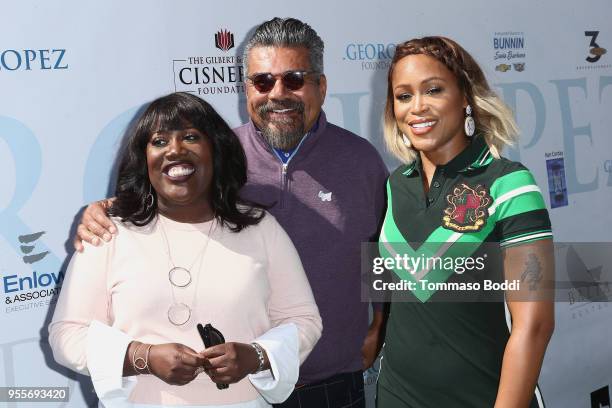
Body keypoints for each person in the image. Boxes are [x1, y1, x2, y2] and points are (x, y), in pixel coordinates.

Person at [74, 18, 389, 408]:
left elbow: (382, 252)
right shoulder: (212, 157)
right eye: (262, 82)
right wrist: (105, 209)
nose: (278, 94)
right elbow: (154, 207)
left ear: (321, 87)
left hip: (331, 382)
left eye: (293, 79)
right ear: (246, 90)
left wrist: (382, 322)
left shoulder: (362, 161)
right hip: (232, 392)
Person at [49, 92, 322, 408]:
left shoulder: (261, 228)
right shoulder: (108, 232)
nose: (175, 150)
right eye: (159, 141)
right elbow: (67, 336)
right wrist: (144, 357)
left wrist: (255, 357)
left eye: (191, 137)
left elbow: (304, 321)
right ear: (143, 158)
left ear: (215, 151)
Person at [376, 36, 555, 407]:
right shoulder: (395, 185)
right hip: (397, 395)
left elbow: (534, 326)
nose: (417, 107)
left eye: (434, 89)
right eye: (403, 95)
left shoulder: (509, 185)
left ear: (466, 98)